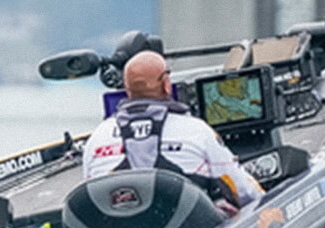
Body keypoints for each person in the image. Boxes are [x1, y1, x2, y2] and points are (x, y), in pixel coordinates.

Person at [82, 51, 262, 209]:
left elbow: (90, 195)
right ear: (166, 84)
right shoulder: (196, 130)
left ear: (127, 89)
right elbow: (242, 190)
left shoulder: (97, 138)